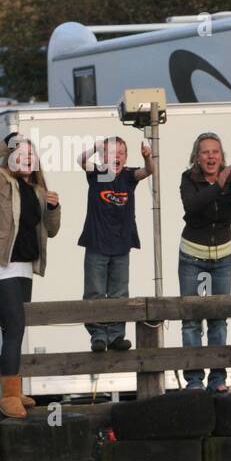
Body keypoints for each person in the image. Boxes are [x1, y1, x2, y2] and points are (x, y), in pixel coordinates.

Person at [0, 133, 61, 417]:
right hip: (0, 264)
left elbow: (51, 230)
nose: (25, 159)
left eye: (30, 156)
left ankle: (14, 388)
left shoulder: (38, 190)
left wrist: (54, 209)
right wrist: (4, 143)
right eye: (19, 154)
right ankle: (7, 396)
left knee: (13, 330)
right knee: (16, 326)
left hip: (24, 266)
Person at [179, 132, 231, 392]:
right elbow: (192, 206)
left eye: (215, 152)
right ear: (197, 157)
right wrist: (217, 186)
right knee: (191, 319)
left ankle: (218, 378)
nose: (211, 156)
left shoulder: (229, 177)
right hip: (192, 255)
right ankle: (194, 381)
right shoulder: (188, 179)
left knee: (218, 319)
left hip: (222, 256)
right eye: (205, 152)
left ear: (222, 156)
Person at [77, 136, 158, 352]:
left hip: (122, 245)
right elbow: (80, 160)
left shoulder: (129, 176)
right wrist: (96, 146)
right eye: (112, 153)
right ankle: (98, 335)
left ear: (126, 157)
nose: (117, 157)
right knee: (94, 292)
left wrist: (147, 156)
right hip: (96, 243)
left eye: (121, 153)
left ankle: (115, 335)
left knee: (119, 293)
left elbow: (149, 171)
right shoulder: (98, 174)